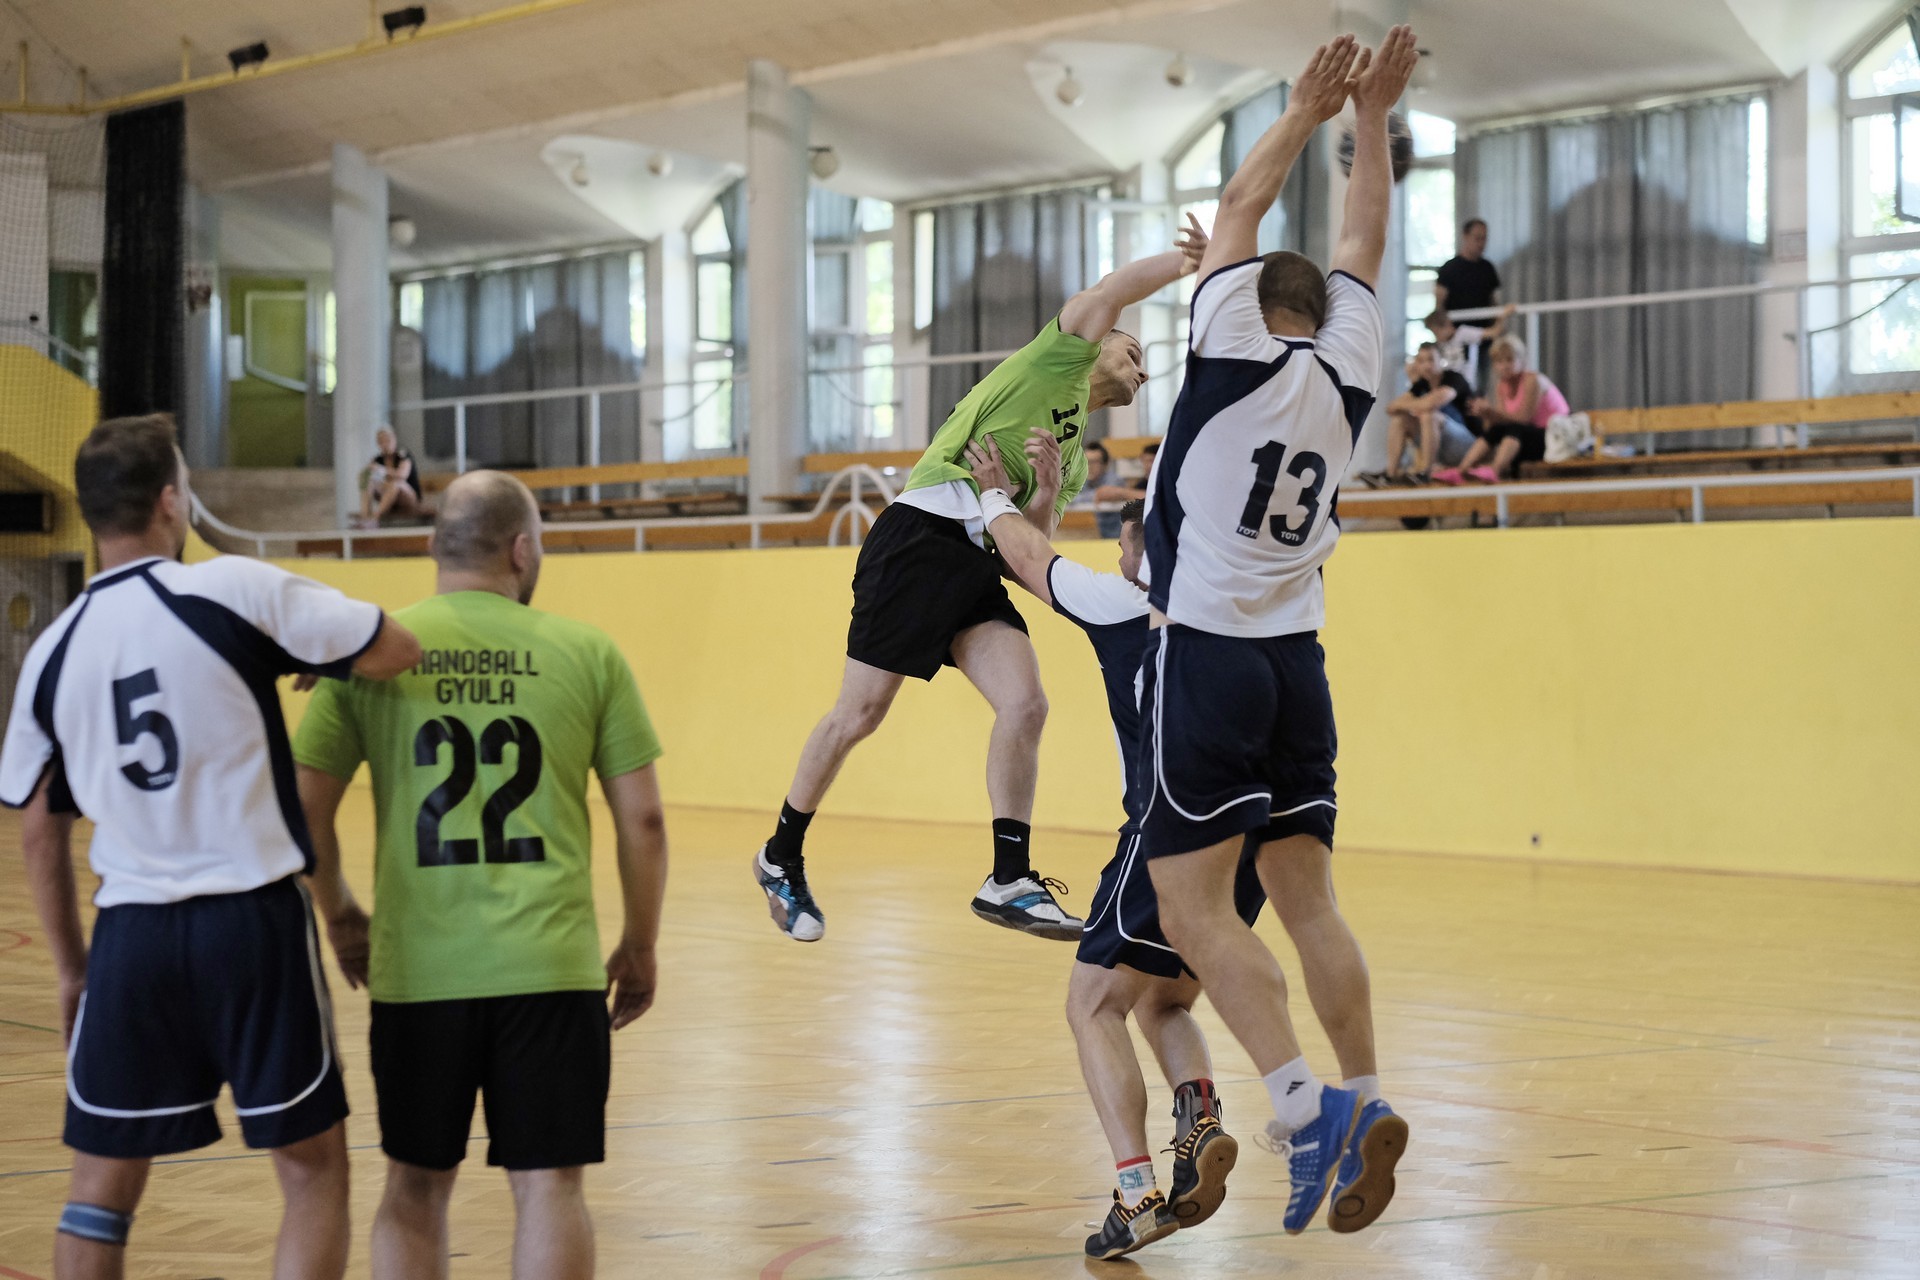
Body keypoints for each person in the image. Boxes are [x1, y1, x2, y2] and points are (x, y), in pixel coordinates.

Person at [0, 414, 421, 1280]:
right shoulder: (232, 588)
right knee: (312, 1175)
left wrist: (74, 971)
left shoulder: (52, 651)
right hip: (252, 922)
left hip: (131, 937)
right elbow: (394, 649)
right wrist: (316, 656)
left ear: (89, 513)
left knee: (96, 1195)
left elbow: (39, 829)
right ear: (170, 501)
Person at [1137, 30, 1414, 1240]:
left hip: (1208, 653)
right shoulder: (1349, 364)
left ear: (1246, 299)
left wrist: (1304, 112)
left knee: (1192, 909)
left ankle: (1307, 1110)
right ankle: (1367, 1088)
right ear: (1324, 312)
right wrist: (1373, 120)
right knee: (1309, 898)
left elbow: (1242, 206)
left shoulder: (1230, 341)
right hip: (1300, 661)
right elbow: (1364, 236)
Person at [751, 217, 1210, 946]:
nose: (1142, 370)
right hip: (920, 538)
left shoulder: (1073, 456)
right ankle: (780, 854)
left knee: (1025, 704)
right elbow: (1113, 290)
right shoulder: (1053, 361)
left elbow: (1026, 555)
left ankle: (1008, 878)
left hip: (974, 563)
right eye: (1134, 352)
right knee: (860, 714)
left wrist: (1043, 491)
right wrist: (1189, 264)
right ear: (1099, 344)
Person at [293, 471, 668, 1280]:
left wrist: (342, 913)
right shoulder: (589, 653)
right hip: (551, 970)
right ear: (522, 551)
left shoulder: (369, 655)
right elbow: (644, 821)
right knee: (550, 1188)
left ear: (436, 546)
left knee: (414, 1188)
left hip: (419, 973)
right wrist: (639, 943)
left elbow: (303, 810)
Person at [962, 436, 1252, 1260]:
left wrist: (995, 495)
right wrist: (1052, 488)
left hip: (1167, 828)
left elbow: (1030, 560)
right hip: (1249, 837)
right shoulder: (1226, 599)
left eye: (1125, 543)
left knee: (1092, 1004)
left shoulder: (1123, 601)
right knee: (1165, 1001)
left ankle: (1136, 1194)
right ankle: (1199, 1122)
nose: (1119, 557)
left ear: (1143, 550)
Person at [1432, 335, 1571, 484]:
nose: (1504, 366)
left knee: (1514, 429)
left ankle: (1495, 470)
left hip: (1554, 437)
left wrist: (1492, 413)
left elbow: (1524, 418)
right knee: (1497, 430)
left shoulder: (1533, 380)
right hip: (1526, 437)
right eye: (1499, 361)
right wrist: (1486, 414)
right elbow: (1498, 423)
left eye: (1509, 360)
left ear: (1521, 360)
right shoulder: (1502, 385)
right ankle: (1462, 470)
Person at [1360, 342, 1480, 486]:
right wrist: (1417, 402)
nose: (1427, 365)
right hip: (1443, 448)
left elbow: (1430, 405)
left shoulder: (1454, 379)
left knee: (1429, 416)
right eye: (1421, 361)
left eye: (1431, 359)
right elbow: (1391, 408)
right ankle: (1389, 475)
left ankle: (1426, 473)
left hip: (1470, 447)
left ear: (1441, 360)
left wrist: (1413, 404)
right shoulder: (1421, 385)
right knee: (1400, 419)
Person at [1433, 220, 1502, 387]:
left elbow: (1494, 301)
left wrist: (1498, 324)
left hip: (1483, 337)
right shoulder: (1449, 269)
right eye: (1477, 238)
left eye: (1484, 238)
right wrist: (1443, 331)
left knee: (1481, 383)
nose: (1481, 243)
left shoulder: (1487, 268)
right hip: (1457, 339)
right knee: (1457, 382)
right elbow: (1439, 305)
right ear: (1465, 236)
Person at [1422, 302, 1513, 388]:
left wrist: (1503, 315)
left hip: (1467, 384)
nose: (1436, 336)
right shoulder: (1438, 345)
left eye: (1436, 332)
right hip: (1449, 385)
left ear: (1447, 325)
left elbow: (1494, 332)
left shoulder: (1463, 334)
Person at [357, 426, 423, 528]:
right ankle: (365, 518)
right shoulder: (378, 459)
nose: (385, 444)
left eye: (387, 440)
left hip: (408, 496)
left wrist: (382, 470)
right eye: (381, 441)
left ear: (394, 439)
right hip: (387, 496)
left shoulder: (403, 455)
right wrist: (365, 475)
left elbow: (402, 475)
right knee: (366, 481)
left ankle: (375, 518)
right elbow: (366, 477)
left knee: (395, 484)